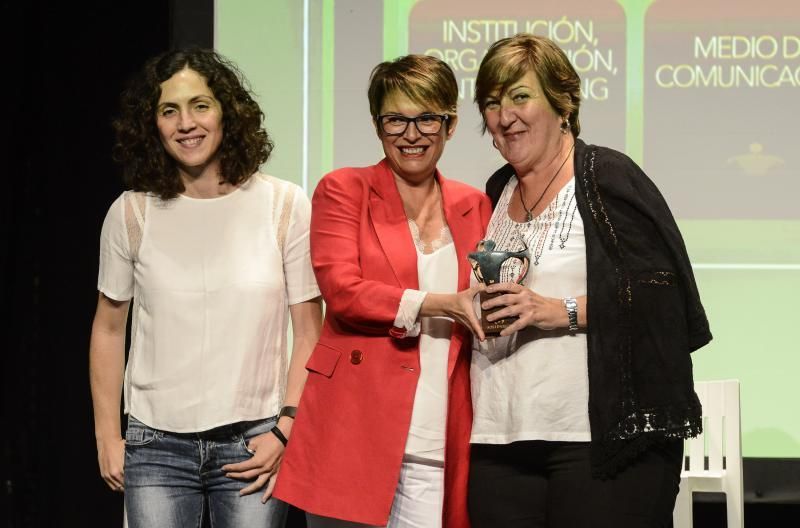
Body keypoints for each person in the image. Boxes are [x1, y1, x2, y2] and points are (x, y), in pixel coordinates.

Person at [466, 34, 712, 528]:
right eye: (492, 102)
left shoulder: (604, 176)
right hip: (500, 440)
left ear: (563, 103)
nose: (504, 115)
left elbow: (664, 296)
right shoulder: (497, 189)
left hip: (598, 441)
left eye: (520, 96)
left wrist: (559, 310)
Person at [89, 48, 323, 528]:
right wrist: (107, 437)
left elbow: (309, 330)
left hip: (255, 443)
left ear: (227, 113)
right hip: (154, 447)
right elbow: (109, 330)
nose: (185, 123)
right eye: (168, 110)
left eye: (200, 105)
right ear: (151, 125)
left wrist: (287, 428)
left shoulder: (283, 204)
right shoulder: (132, 213)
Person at [273, 55, 491, 528]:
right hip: (355, 430)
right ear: (377, 125)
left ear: (449, 125)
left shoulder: (475, 205)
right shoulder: (343, 189)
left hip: (441, 433)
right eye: (396, 119)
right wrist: (440, 305)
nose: (411, 134)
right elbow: (344, 292)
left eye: (427, 118)